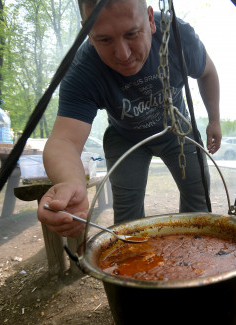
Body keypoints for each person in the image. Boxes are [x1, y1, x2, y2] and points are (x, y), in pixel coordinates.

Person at [37, 0, 222, 238]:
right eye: (104, 39)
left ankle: (197, 263)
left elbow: (207, 72)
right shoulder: (82, 69)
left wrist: (214, 120)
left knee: (199, 201)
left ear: (151, 20)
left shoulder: (177, 36)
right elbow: (64, 141)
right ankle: (131, 268)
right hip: (125, 137)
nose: (123, 54)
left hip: (176, 128)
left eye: (132, 34)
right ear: (88, 33)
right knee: (126, 217)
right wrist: (71, 182)